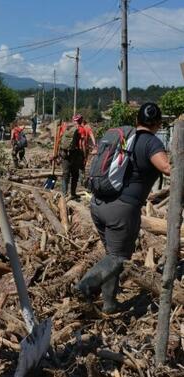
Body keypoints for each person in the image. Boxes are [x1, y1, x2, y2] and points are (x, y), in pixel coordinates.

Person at [76, 103, 170, 313]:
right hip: (122, 210)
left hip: (99, 204)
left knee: (113, 255)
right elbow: (166, 167)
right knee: (118, 258)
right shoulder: (151, 143)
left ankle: (110, 304)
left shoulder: (126, 138)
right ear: (157, 123)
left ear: (137, 120)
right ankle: (86, 285)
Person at [56, 114, 85, 199]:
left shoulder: (65, 127)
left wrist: (57, 153)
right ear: (80, 120)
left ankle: (64, 194)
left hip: (64, 153)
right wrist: (83, 155)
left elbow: (59, 140)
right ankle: (72, 193)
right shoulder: (81, 129)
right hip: (75, 154)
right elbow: (82, 144)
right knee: (75, 174)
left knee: (65, 174)